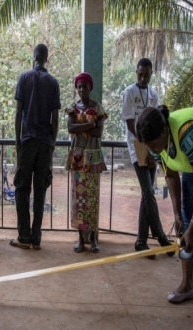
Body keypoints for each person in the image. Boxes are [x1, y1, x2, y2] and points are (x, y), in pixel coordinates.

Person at [136, 105, 193, 303]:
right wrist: (177, 213)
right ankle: (187, 286)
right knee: (186, 219)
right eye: (148, 145)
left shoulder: (188, 133)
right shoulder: (154, 143)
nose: (151, 149)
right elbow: (170, 175)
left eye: (153, 144)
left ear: (163, 131)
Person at [10, 44, 60, 250]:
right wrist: (52, 142)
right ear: (46, 59)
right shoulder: (54, 83)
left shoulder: (24, 78)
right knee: (40, 190)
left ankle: (24, 236)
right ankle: (36, 238)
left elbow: (18, 113)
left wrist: (17, 141)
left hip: (28, 140)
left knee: (22, 188)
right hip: (45, 143)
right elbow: (55, 117)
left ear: (34, 57)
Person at [121, 58, 173, 258]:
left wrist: (153, 152)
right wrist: (144, 146)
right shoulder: (129, 92)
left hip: (152, 148)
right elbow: (129, 123)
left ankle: (141, 241)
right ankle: (160, 236)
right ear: (136, 72)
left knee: (147, 193)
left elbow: (157, 121)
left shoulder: (153, 95)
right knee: (148, 192)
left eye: (146, 75)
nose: (143, 78)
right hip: (137, 147)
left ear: (152, 73)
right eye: (140, 74)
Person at [65, 72, 108, 253]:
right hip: (77, 158)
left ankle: (93, 238)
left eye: (85, 86)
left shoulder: (98, 109)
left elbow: (99, 133)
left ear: (91, 87)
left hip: (93, 158)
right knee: (78, 199)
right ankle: (81, 239)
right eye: (79, 86)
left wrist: (81, 127)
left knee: (92, 198)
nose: (82, 89)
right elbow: (70, 128)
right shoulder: (72, 108)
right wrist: (91, 125)